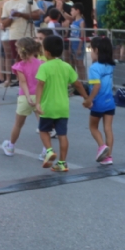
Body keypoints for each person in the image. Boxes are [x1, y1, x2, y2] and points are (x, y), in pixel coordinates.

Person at [35, 35, 89, 172]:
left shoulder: (44, 67)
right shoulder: (67, 66)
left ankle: (49, 151)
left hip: (48, 106)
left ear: (46, 52)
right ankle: (62, 163)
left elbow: (40, 84)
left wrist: (37, 103)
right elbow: (77, 83)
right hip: (63, 107)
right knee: (62, 134)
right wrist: (86, 97)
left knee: (43, 130)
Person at [2, 37, 44, 156]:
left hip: (25, 97)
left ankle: (11, 146)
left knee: (18, 124)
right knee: (42, 125)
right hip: (39, 96)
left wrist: (28, 96)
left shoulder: (19, 65)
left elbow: (23, 82)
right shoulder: (42, 64)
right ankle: (46, 150)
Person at [0, 0, 42, 85]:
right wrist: (11, 17)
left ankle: (34, 83)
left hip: (29, 35)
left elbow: (37, 15)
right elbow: (4, 23)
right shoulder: (7, 4)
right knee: (19, 61)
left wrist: (21, 14)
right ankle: (22, 85)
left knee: (32, 60)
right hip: (14, 36)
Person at [83, 36, 116, 165]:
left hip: (98, 102)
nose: (90, 52)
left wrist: (89, 99)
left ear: (96, 50)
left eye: (91, 49)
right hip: (110, 102)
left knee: (93, 127)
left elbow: (96, 86)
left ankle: (102, 146)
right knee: (108, 129)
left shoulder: (94, 68)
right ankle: (109, 156)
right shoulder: (110, 65)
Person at [68, 2, 87, 80]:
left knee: (80, 64)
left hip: (79, 45)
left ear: (77, 11)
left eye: (72, 10)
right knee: (75, 63)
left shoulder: (81, 22)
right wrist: (69, 46)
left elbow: (82, 35)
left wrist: (80, 47)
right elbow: (71, 34)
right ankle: (79, 79)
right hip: (73, 44)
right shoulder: (73, 21)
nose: (71, 12)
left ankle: (84, 79)